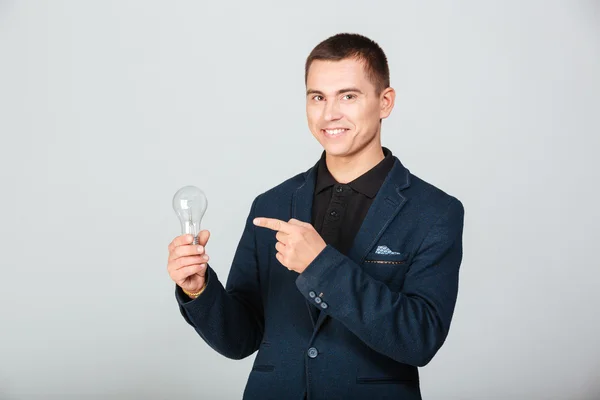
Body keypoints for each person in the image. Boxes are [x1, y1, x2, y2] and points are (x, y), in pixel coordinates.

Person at [167, 33, 465, 400]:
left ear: (385, 102)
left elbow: (420, 339)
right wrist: (198, 289)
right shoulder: (271, 204)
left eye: (349, 96)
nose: (329, 114)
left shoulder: (434, 211)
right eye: (317, 97)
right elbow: (240, 339)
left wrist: (321, 265)